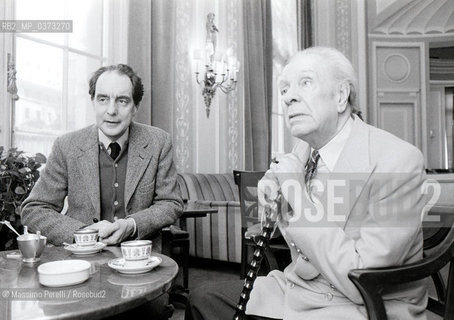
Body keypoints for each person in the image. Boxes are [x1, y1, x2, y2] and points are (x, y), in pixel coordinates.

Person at [186, 47, 428, 320]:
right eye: (284, 89)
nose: (289, 97)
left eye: (305, 83)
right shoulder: (305, 148)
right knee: (202, 299)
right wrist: (271, 193)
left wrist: (297, 196)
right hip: (299, 290)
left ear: (340, 96)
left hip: (362, 306)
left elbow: (363, 281)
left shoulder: (398, 161)